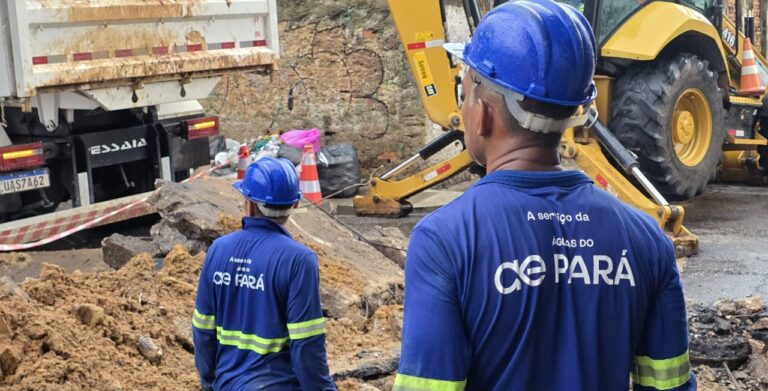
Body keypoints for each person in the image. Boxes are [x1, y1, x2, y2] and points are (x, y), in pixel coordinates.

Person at [393, 1, 694, 390]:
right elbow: (671, 384)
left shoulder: (445, 241)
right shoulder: (648, 240)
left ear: (482, 113)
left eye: (463, 93)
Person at [192, 157, 336, 391]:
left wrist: (209, 382)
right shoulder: (299, 260)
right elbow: (307, 344)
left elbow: (203, 330)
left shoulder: (218, 249)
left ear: (249, 203)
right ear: (295, 204)